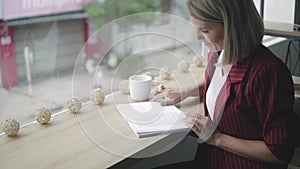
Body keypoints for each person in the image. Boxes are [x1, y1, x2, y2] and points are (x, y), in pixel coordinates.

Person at [152, 0, 300, 168]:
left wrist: (217, 138)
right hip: (212, 160)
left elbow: (279, 153)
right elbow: (227, 85)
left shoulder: (269, 73)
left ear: (233, 27)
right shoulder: (218, 54)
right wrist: (187, 91)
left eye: (205, 30)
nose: (197, 37)